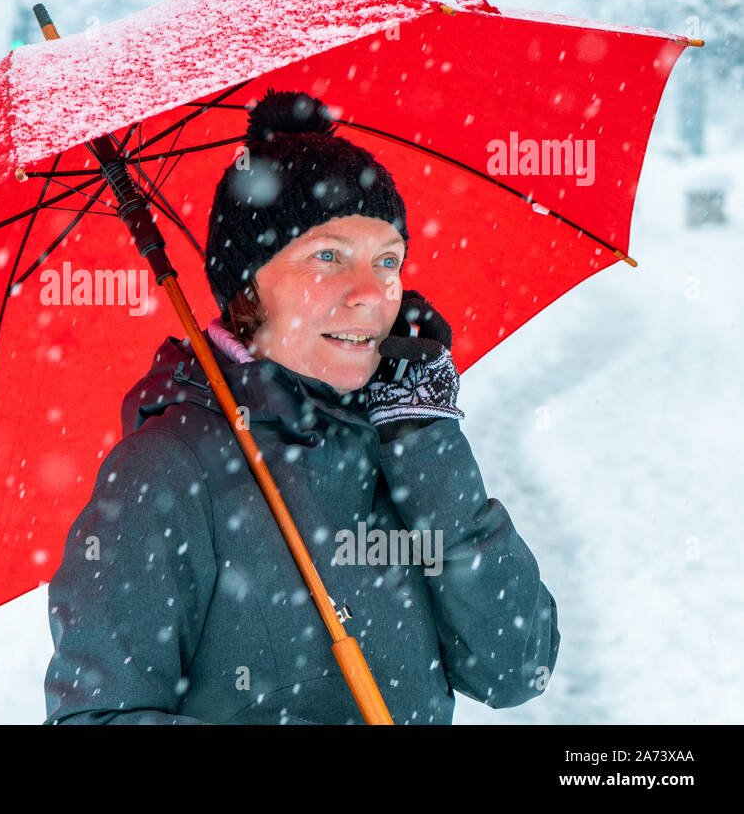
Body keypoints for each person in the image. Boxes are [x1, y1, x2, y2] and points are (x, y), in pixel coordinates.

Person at [41, 89, 560, 724]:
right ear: (248, 285)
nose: (372, 293)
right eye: (329, 256)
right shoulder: (166, 471)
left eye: (388, 261)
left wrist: (424, 431)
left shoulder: (396, 429)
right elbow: (96, 718)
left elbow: (515, 666)